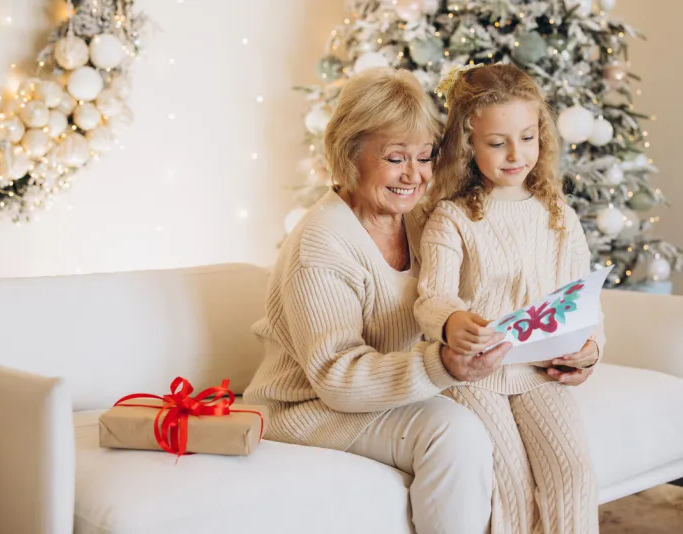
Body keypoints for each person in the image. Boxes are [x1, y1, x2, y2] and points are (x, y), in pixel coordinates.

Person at [243, 67, 512, 534]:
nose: (414, 175)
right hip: (308, 407)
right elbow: (337, 375)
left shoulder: (421, 220)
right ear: (350, 155)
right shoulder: (322, 243)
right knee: (455, 432)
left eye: (424, 156)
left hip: (384, 392)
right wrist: (442, 365)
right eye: (394, 158)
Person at [414, 63, 606, 534]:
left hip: (542, 372)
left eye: (526, 137)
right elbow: (431, 297)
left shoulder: (558, 213)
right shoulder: (452, 218)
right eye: (497, 143)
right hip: (478, 375)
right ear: (468, 145)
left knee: (573, 473)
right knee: (511, 483)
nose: (515, 154)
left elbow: (585, 300)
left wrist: (590, 352)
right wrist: (452, 320)